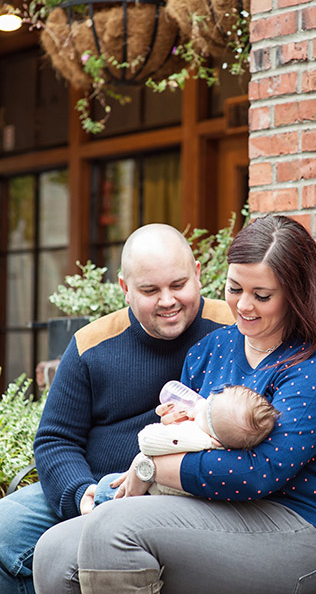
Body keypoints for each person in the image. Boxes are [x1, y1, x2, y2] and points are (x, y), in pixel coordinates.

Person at [31, 215, 316, 594]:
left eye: (261, 295)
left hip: (297, 531)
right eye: (235, 289)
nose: (244, 306)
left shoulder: (313, 371)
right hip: (213, 512)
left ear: (295, 294)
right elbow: (181, 434)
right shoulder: (209, 350)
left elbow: (255, 474)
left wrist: (150, 468)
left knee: (114, 531)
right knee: (54, 552)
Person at [0, 223, 234, 594]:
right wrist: (82, 494)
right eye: (149, 290)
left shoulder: (235, 328)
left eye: (178, 285)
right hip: (97, 486)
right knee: (2, 532)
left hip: (174, 493)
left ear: (198, 275)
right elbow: (55, 439)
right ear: (125, 289)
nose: (168, 300)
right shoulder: (91, 344)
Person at [98, 383, 277, 499]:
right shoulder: (222, 444)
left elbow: (147, 440)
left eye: (206, 408)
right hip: (165, 493)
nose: (200, 404)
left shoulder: (199, 439)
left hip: (153, 494)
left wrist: (170, 430)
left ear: (214, 439)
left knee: (107, 486)